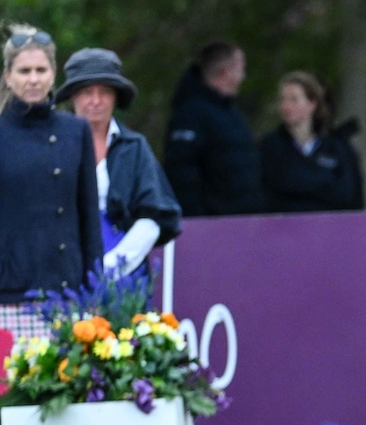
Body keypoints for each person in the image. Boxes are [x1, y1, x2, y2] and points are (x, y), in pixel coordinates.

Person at [0, 28, 102, 344]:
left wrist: (94, 288)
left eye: (40, 70)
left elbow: (88, 214)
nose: (33, 79)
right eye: (24, 71)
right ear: (8, 76)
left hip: (67, 292)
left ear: (53, 74)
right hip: (9, 294)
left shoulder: (76, 131)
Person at [57, 48, 182, 287]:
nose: (96, 101)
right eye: (86, 92)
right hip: (63, 271)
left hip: (125, 275)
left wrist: (114, 266)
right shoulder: (52, 147)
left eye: (104, 91)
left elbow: (154, 216)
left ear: (116, 96)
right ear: (72, 96)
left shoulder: (134, 147)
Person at [165, 40, 263, 217]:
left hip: (241, 221)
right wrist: (196, 221)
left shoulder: (230, 113)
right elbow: (181, 172)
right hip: (211, 226)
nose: (243, 76)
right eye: (241, 69)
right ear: (226, 73)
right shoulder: (190, 114)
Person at [260, 71, 365, 213]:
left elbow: (347, 194)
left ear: (312, 104)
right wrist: (324, 181)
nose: (286, 106)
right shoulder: (270, 146)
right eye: (283, 100)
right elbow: (271, 189)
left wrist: (299, 184)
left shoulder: (337, 148)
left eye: (294, 100)